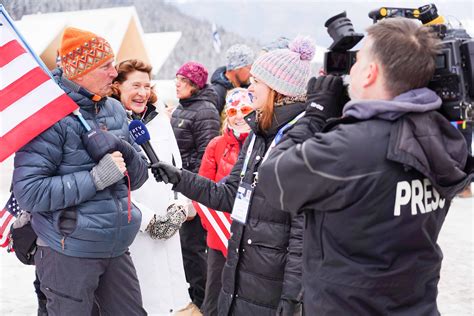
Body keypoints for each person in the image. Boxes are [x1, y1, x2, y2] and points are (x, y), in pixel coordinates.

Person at [258, 18, 474, 315]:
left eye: (356, 61)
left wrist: (315, 116)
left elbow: (273, 179)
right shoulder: (441, 138)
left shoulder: (349, 148)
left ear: (371, 73)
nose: (350, 69)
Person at [152, 36, 316, 315]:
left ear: (278, 89)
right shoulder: (258, 135)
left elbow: (303, 233)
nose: (250, 87)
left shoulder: (304, 142)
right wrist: (178, 177)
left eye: (257, 82)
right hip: (241, 273)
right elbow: (229, 194)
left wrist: (292, 298)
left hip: (272, 288)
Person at [12, 27, 149, 315]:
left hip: (115, 246)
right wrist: (95, 179)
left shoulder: (113, 109)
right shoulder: (49, 115)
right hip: (68, 251)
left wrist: (124, 151)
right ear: (80, 72)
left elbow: (137, 178)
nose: (115, 73)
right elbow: (29, 193)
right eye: (106, 66)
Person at [111, 59, 190, 315]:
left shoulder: (160, 121)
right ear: (117, 87)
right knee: (142, 301)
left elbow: (177, 167)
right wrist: (148, 220)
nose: (142, 92)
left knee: (172, 300)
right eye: (135, 85)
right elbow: (112, 186)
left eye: (146, 85)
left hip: (169, 223)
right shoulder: (112, 125)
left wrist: (179, 206)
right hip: (135, 228)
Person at [197, 88, 253, 316]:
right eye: (233, 110)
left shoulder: (263, 143)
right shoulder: (216, 145)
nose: (238, 115)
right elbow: (202, 188)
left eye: (245, 109)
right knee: (215, 294)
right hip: (219, 233)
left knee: (246, 294)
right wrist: (211, 225)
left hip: (251, 236)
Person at [171, 61, 221, 315]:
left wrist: (180, 170)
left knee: (193, 248)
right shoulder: (183, 107)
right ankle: (193, 294)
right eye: (177, 79)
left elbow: (207, 155)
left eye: (184, 80)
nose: (177, 84)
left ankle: (202, 300)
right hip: (180, 186)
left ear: (195, 85)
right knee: (185, 247)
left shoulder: (205, 111)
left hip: (193, 188)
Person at [210, 44, 254, 114]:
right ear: (237, 68)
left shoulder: (248, 90)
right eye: (249, 68)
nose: (251, 73)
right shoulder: (216, 93)